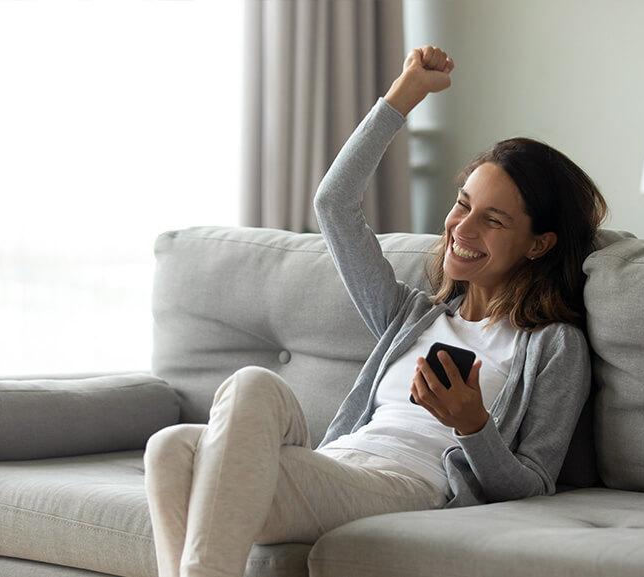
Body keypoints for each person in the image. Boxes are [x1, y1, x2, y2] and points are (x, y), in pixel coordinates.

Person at [143, 45, 609, 577]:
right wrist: (404, 94)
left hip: (405, 488)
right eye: (462, 204)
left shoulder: (553, 345)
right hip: (335, 467)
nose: (462, 228)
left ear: (539, 244)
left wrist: (473, 425)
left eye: (493, 220)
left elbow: (534, 483)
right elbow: (334, 204)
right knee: (172, 447)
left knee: (251, 385)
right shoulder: (411, 315)